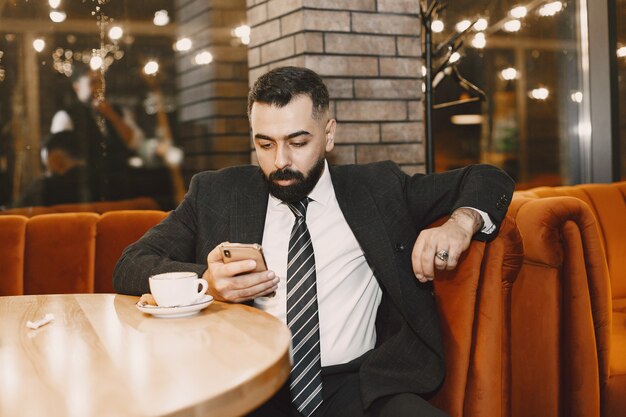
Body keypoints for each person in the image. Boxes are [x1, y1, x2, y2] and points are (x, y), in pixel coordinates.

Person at [113, 66, 515, 417]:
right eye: (265, 144)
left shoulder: (378, 188)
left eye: (298, 142)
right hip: (250, 390)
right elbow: (131, 264)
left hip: (362, 388)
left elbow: (486, 177)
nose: (280, 161)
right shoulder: (216, 193)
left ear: (329, 133)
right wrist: (207, 283)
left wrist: (460, 224)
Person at [51, 66, 143, 201]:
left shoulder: (118, 112)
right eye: (92, 82)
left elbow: (135, 142)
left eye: (100, 82)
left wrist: (112, 115)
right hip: (84, 192)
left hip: (119, 187)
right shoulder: (66, 116)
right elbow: (57, 158)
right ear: (77, 87)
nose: (98, 88)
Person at [15, 131, 92, 207]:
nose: (46, 171)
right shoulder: (98, 182)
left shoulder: (45, 188)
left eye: (45, 164)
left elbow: (12, 212)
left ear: (56, 159)